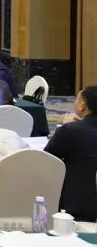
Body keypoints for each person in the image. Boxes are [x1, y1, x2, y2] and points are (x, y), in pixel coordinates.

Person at [44, 85, 97, 221]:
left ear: (82, 106)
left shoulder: (70, 130)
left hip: (77, 205)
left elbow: (47, 159)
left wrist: (64, 127)